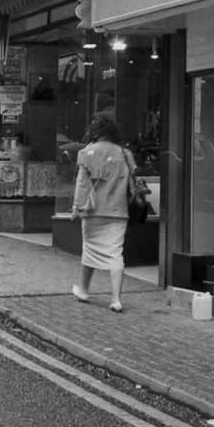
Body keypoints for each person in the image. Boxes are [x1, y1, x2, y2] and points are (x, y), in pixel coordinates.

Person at [71, 112, 138, 313]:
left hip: (93, 211)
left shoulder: (86, 153)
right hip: (118, 211)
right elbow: (133, 187)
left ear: (95, 131)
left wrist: (76, 208)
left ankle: (83, 290)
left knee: (90, 249)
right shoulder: (125, 154)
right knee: (115, 253)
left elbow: (82, 185)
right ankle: (116, 299)